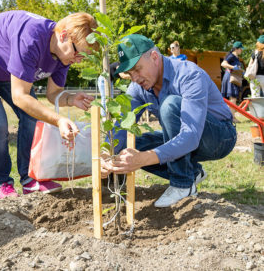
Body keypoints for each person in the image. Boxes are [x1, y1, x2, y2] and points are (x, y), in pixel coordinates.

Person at [0, 10, 99, 199]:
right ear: (63, 35)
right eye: (78, 53)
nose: (78, 60)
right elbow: (20, 97)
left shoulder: (64, 54)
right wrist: (58, 120)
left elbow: (53, 94)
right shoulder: (31, 38)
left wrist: (70, 98)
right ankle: (2, 182)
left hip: (6, 67)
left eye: (83, 57)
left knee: (31, 118)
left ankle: (29, 180)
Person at [101, 34, 236, 207]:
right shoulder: (138, 87)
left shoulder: (189, 74)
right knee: (131, 148)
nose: (134, 78)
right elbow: (121, 123)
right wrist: (106, 153)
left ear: (154, 57)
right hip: (188, 139)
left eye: (137, 69)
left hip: (219, 137)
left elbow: (191, 135)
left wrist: (143, 159)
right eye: (129, 73)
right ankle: (192, 173)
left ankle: (183, 183)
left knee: (170, 104)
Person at [220, 41, 244, 122]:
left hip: (232, 77)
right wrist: (233, 67)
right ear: (236, 49)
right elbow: (223, 64)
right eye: (241, 49)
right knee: (232, 98)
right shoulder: (231, 56)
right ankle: (232, 118)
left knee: (232, 98)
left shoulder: (236, 57)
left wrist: (241, 71)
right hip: (230, 77)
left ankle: (229, 116)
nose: (242, 50)